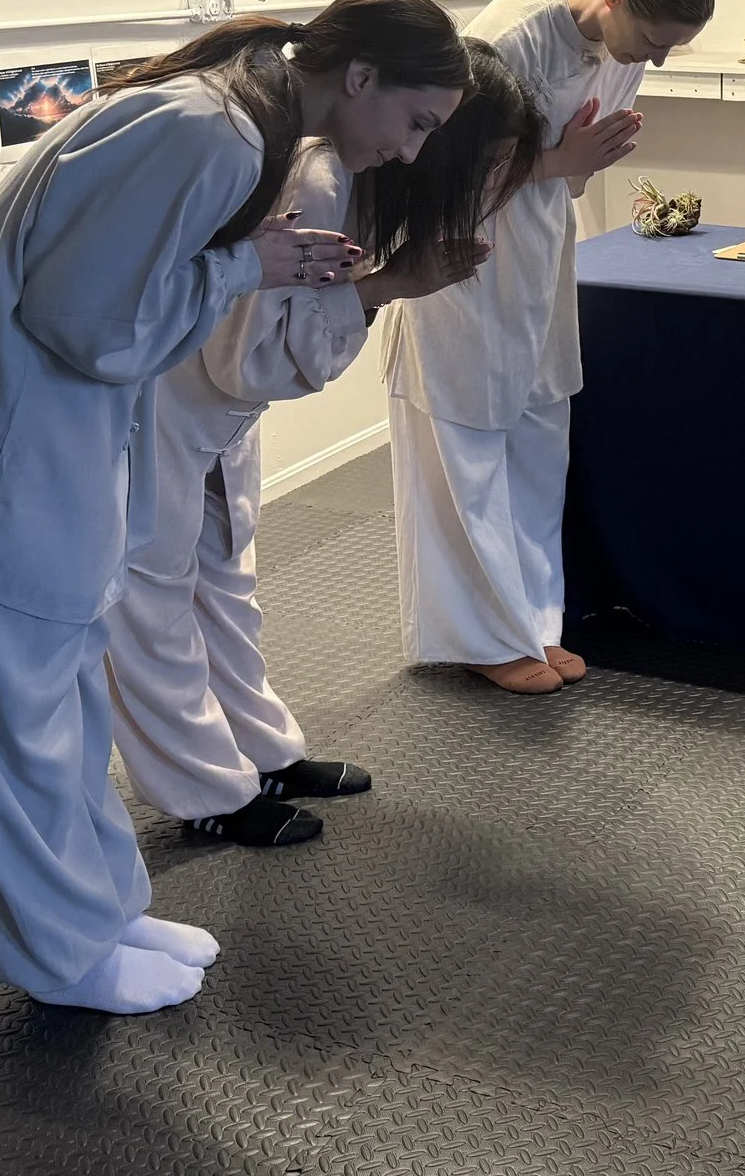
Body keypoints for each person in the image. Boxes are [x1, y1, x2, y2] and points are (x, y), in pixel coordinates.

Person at [0, 0, 471, 1013]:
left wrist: (240, 263)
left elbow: (107, 301)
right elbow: (87, 321)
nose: (408, 152)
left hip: (35, 439)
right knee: (23, 728)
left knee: (71, 703)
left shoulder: (232, 120)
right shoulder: (211, 131)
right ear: (360, 77)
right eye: (415, 122)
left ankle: (98, 914)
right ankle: (60, 957)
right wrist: (246, 264)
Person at [105, 41, 544, 845]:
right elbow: (255, 355)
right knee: (157, 590)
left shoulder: (355, 181)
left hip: (208, 408)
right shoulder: (320, 177)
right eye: (484, 170)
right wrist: (387, 287)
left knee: (224, 575)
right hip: (169, 399)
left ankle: (258, 751)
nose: (487, 193)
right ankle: (206, 789)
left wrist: (379, 285)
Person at [383, 0, 717, 693]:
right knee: (466, 445)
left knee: (539, 438)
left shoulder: (619, 48)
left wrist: (570, 166)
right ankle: (481, 635)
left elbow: (569, 177)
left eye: (673, 47)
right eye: (655, 38)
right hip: (463, 261)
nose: (657, 58)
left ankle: (534, 623)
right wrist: (561, 158)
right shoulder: (508, 36)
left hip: (539, 258)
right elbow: (439, 174)